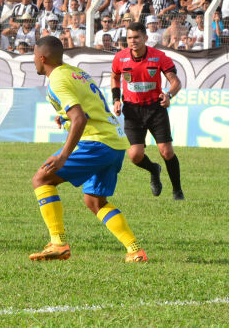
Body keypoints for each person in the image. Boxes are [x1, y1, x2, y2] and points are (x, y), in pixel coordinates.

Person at [30, 35, 146, 262]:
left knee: (42, 179)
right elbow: (86, 109)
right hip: (114, 142)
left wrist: (63, 155)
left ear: (42, 58)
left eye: (34, 56)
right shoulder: (75, 72)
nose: (33, 60)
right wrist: (64, 119)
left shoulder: (57, 80)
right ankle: (135, 250)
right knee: (94, 201)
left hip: (96, 142)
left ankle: (58, 243)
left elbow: (80, 118)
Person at [111, 22, 183, 200]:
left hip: (155, 109)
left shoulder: (159, 57)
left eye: (136, 37)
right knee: (135, 156)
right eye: (129, 38)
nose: (132, 41)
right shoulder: (120, 58)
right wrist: (116, 99)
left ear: (145, 38)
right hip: (132, 111)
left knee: (166, 151)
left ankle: (177, 191)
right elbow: (115, 77)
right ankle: (154, 169)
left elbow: (176, 82)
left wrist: (169, 96)